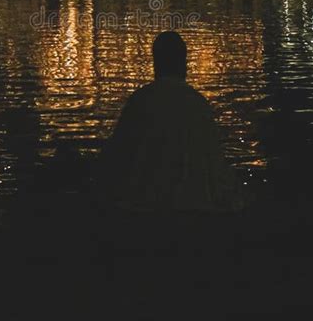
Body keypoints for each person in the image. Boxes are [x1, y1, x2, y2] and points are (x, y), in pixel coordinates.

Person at [97, 31, 244, 212]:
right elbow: (214, 162)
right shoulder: (198, 104)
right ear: (184, 64)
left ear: (156, 64)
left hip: (145, 209)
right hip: (193, 209)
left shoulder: (140, 101)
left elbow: (117, 157)